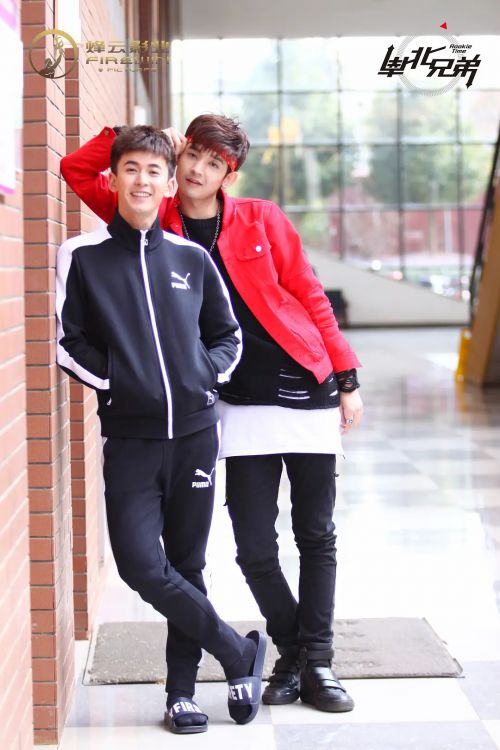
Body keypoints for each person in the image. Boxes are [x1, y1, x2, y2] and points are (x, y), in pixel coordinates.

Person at [60, 114, 363, 713]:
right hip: (232, 400)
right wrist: (138, 134)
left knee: (315, 534)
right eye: (192, 154)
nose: (199, 169)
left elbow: (307, 291)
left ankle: (317, 662)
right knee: (254, 547)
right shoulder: (157, 211)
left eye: (214, 162)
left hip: (303, 381)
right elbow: (77, 170)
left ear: (230, 174)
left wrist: (345, 374)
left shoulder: (261, 218)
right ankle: (285, 649)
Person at [56, 125, 267, 735]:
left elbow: (227, 335)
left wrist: (204, 377)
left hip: (196, 435)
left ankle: (181, 694)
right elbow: (69, 343)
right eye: (131, 168)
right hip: (131, 440)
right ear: (114, 178)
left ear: (170, 185)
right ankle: (236, 651)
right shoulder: (83, 256)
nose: (142, 180)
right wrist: (120, 380)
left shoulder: (190, 258)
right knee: (140, 565)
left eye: (154, 171)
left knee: (188, 563)